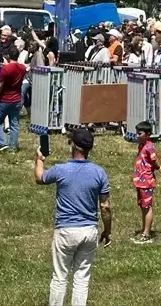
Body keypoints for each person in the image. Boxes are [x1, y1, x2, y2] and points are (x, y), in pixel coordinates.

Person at [35, 128, 112, 306]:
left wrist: (39, 159)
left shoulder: (61, 170)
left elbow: (40, 177)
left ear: (73, 146)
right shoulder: (99, 172)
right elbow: (105, 206)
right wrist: (107, 230)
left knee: (59, 278)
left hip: (65, 230)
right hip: (89, 231)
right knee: (81, 279)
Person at [131, 120, 161, 243]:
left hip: (146, 181)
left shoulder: (149, 147)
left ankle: (147, 234)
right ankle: (144, 230)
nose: (137, 136)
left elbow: (153, 161)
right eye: (137, 133)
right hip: (139, 181)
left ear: (148, 134)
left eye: (140, 133)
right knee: (143, 206)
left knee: (147, 207)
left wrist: (159, 168)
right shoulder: (141, 145)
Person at [0, 48, 25, 153]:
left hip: (5, 99)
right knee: (14, 124)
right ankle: (13, 147)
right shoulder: (22, 68)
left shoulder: (6, 69)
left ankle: (3, 143)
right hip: (17, 98)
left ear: (8, 56)